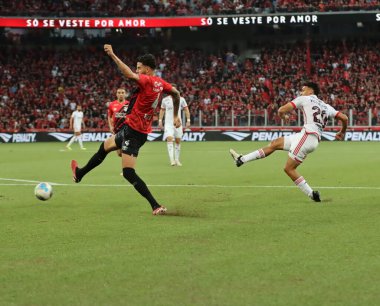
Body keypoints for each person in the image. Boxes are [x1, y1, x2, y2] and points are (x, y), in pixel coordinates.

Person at [71, 45, 181, 215]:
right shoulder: (161, 83)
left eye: (139, 67)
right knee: (105, 147)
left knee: (128, 173)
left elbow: (128, 74)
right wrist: (175, 115)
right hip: (131, 129)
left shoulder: (147, 80)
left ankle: (155, 205)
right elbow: (176, 93)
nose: (137, 71)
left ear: (147, 68)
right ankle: (80, 173)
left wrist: (113, 55)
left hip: (135, 132)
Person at [230, 82, 348, 202]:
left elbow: (281, 110)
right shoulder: (326, 106)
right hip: (308, 137)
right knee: (275, 143)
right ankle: (241, 159)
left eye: (303, 90)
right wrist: (342, 131)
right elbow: (344, 118)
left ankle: (312, 194)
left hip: (307, 137)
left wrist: (284, 117)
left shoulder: (304, 99)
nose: (301, 93)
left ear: (311, 91)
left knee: (289, 169)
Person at [158, 87, 191, 166]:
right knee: (169, 139)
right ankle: (172, 160)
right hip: (168, 124)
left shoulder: (181, 99)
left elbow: (186, 109)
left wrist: (188, 120)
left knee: (178, 141)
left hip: (178, 124)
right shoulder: (165, 100)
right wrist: (160, 121)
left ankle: (177, 160)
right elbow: (162, 110)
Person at [107, 87, 129, 158]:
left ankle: (127, 166)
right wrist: (110, 126)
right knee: (119, 153)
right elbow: (109, 116)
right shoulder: (112, 104)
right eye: (119, 93)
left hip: (127, 129)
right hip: (117, 130)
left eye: (122, 93)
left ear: (125, 94)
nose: (121, 94)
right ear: (116, 94)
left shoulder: (129, 104)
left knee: (126, 151)